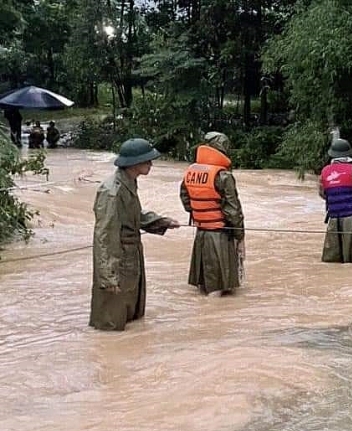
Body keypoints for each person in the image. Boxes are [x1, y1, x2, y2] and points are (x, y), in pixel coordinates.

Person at [90, 138, 180, 331]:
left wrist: (161, 222)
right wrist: (107, 276)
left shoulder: (128, 182)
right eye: (147, 160)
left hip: (130, 256)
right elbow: (104, 236)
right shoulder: (112, 192)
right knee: (111, 324)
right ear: (134, 163)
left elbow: (134, 216)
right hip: (118, 260)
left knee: (131, 319)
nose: (151, 164)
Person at [180, 132, 245, 295]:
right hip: (220, 236)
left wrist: (199, 214)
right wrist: (239, 236)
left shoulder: (190, 172)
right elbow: (233, 211)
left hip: (201, 233)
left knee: (204, 288)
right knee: (218, 291)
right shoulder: (223, 176)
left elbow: (185, 198)